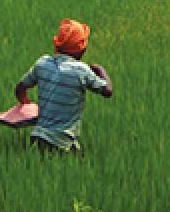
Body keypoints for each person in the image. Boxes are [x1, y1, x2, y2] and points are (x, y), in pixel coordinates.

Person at [14, 18, 113, 153]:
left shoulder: (42, 63)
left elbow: (20, 88)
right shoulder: (81, 70)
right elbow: (107, 91)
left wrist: (26, 105)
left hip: (37, 137)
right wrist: (101, 70)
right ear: (82, 49)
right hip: (62, 142)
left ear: (56, 45)